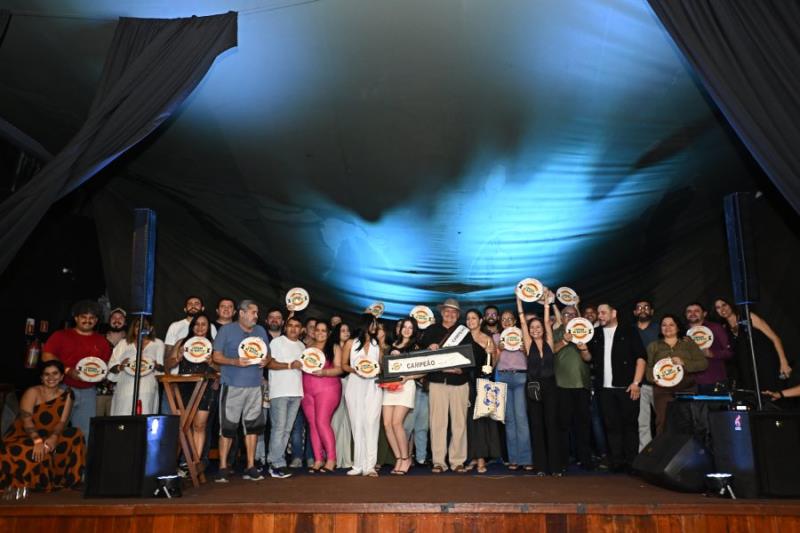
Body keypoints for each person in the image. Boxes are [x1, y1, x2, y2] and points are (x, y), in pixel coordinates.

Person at [0, 360, 84, 491]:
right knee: (30, 450)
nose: (51, 378)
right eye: (46, 374)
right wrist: (38, 440)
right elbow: (26, 421)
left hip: (51, 433)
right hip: (26, 434)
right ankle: (35, 484)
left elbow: (62, 422)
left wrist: (54, 437)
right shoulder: (32, 392)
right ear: (41, 377)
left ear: (62, 376)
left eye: (55, 373)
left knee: (76, 434)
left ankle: (70, 481)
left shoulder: (68, 394)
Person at [211, 300, 271, 482]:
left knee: (253, 428)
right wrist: (234, 362)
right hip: (232, 386)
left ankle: (250, 466)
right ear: (242, 313)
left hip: (255, 386)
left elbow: (268, 355)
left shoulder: (260, 331)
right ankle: (223, 467)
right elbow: (216, 356)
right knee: (228, 427)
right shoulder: (226, 330)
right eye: (253, 312)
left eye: (257, 313)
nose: (256, 316)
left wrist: (266, 360)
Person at [586, 303, 646, 472]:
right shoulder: (595, 333)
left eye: (603, 313)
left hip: (627, 387)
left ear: (614, 313)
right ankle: (617, 462)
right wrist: (583, 348)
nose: (600, 316)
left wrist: (636, 383)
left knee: (630, 425)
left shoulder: (629, 331)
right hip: (604, 389)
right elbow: (588, 358)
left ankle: (632, 463)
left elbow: (641, 358)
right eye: (598, 313)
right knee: (611, 426)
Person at [41, 300, 111, 440]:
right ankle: (50, 454)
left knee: (85, 433)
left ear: (96, 320)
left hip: (89, 392)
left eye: (91, 318)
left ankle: (81, 455)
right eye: (83, 317)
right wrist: (67, 370)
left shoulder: (102, 341)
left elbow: (106, 364)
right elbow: (46, 356)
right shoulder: (61, 335)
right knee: (54, 429)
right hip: (62, 388)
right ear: (76, 318)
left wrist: (103, 374)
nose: (87, 321)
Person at [421, 298, 473, 474]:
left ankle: (457, 461)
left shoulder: (464, 332)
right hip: (438, 381)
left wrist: (462, 369)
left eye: (453, 312)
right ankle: (438, 461)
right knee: (437, 423)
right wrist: (429, 347)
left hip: (459, 382)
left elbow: (471, 356)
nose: (450, 314)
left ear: (458, 315)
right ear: (442, 312)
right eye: (447, 311)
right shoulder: (431, 330)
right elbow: (420, 353)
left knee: (459, 423)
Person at [518, 292, 561, 475]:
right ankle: (541, 467)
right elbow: (522, 321)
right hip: (533, 388)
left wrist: (547, 304)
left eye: (538, 327)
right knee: (537, 425)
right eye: (532, 327)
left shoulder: (549, 341)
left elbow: (547, 320)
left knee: (552, 424)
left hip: (550, 387)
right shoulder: (528, 345)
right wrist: (518, 299)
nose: (535, 329)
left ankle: (555, 467)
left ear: (543, 328)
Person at [165, 313, 216, 462]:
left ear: (208, 327)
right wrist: (177, 358)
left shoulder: (214, 344)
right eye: (196, 324)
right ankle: (177, 462)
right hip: (184, 387)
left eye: (203, 324)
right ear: (192, 327)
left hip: (204, 388)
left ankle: (195, 463)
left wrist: (212, 363)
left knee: (199, 425)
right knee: (183, 426)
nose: (200, 327)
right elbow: (168, 365)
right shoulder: (182, 342)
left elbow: (221, 368)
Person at [645, 314, 708, 435]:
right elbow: (648, 368)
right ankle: (663, 447)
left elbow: (703, 364)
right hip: (662, 390)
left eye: (671, 324)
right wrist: (653, 379)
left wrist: (684, 362)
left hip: (687, 389)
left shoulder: (689, 344)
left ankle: (690, 447)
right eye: (664, 325)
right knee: (663, 422)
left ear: (678, 327)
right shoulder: (653, 346)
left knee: (688, 422)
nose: (667, 327)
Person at [713, 298, 791, 393]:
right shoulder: (724, 328)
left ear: (731, 304)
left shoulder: (748, 317)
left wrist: (784, 362)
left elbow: (775, 338)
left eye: (724, 305)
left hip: (766, 363)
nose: (722, 309)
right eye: (718, 307)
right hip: (748, 371)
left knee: (774, 393)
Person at [552, 304, 593, 470]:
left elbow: (589, 358)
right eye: (566, 314)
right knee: (563, 424)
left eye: (573, 314)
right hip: (561, 384)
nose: (570, 317)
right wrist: (564, 340)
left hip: (582, 384)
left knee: (583, 424)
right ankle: (563, 460)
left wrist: (584, 350)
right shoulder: (556, 332)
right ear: (561, 318)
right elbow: (550, 350)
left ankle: (585, 459)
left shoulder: (585, 330)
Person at [343, 313, 384, 477]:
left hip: (373, 385)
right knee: (357, 423)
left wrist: (375, 370)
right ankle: (358, 465)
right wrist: (356, 370)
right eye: (373, 323)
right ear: (366, 324)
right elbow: (343, 365)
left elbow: (381, 365)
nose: (375, 326)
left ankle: (370, 466)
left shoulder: (376, 344)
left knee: (371, 422)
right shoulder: (350, 343)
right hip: (355, 384)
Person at [301, 320, 343, 473]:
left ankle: (331, 459)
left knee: (322, 422)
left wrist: (324, 372)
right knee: (313, 424)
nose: (320, 333)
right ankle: (318, 459)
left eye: (323, 330)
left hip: (328, 388)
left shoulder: (334, 347)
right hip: (307, 390)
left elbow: (339, 369)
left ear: (329, 332)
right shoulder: (307, 347)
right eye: (317, 330)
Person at [265, 315, 304, 479]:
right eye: (291, 325)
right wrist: (289, 365)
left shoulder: (302, 346)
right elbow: (269, 363)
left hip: (297, 392)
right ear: (285, 327)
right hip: (279, 392)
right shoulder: (276, 342)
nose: (293, 328)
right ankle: (275, 463)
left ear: (301, 330)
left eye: (297, 326)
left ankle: (277, 461)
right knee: (279, 428)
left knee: (287, 429)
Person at [494, 309, 532, 470]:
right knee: (509, 420)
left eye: (510, 319)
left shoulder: (523, 335)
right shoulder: (496, 337)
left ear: (515, 321)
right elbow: (492, 363)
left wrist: (525, 350)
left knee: (521, 418)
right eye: (504, 319)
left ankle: (526, 459)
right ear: (500, 322)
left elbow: (534, 357)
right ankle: (514, 459)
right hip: (503, 377)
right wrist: (498, 350)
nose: (507, 321)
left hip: (520, 377)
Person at [382, 318, 421, 475]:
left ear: (414, 330)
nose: (407, 330)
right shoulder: (392, 345)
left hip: (406, 386)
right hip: (389, 386)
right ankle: (398, 458)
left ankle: (406, 458)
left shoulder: (416, 347)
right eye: (405, 326)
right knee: (387, 424)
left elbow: (424, 371)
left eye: (410, 327)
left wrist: (408, 377)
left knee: (397, 423)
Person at [464, 309, 501, 474]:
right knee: (468, 421)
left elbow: (493, 363)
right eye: (468, 318)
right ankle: (472, 456)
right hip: (465, 382)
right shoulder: (462, 338)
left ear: (480, 321)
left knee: (481, 422)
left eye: (473, 318)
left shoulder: (487, 339)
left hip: (483, 383)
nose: (470, 321)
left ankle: (481, 459)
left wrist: (490, 356)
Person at [107, 317, 165, 416]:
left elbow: (162, 369)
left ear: (150, 328)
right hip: (125, 389)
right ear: (133, 328)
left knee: (145, 416)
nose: (141, 329)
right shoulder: (123, 343)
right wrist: (120, 366)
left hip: (147, 389)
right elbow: (111, 368)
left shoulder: (158, 344)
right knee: (122, 417)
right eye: (138, 326)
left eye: (144, 326)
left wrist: (155, 365)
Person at [684, 302, 732, 392]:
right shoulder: (682, 332)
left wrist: (712, 354)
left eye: (696, 311)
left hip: (714, 380)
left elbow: (729, 352)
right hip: (690, 383)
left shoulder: (716, 328)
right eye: (689, 311)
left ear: (704, 314)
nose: (692, 313)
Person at [633, 300, 659, 451]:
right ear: (635, 312)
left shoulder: (659, 329)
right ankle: (644, 453)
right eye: (639, 307)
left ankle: (664, 452)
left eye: (646, 307)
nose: (642, 310)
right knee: (641, 422)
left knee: (663, 420)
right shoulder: (629, 330)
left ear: (652, 311)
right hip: (638, 382)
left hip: (658, 381)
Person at [330, 322, 354, 468]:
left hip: (351, 383)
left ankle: (346, 459)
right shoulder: (333, 347)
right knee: (336, 421)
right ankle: (334, 458)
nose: (346, 333)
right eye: (342, 330)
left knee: (348, 422)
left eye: (348, 330)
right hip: (336, 384)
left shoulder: (353, 348)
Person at [96, 307, 127, 417]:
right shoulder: (99, 339)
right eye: (114, 317)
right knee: (97, 421)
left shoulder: (131, 341)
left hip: (122, 391)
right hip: (100, 390)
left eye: (120, 318)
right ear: (109, 321)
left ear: (125, 322)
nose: (117, 320)